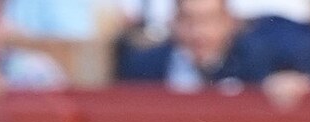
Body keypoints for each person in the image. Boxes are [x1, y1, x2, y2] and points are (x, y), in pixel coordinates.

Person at [117, 0, 287, 89]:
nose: (198, 33)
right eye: (188, 20)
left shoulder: (257, 62)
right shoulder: (142, 66)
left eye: (208, 20)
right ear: (173, 21)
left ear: (229, 22)